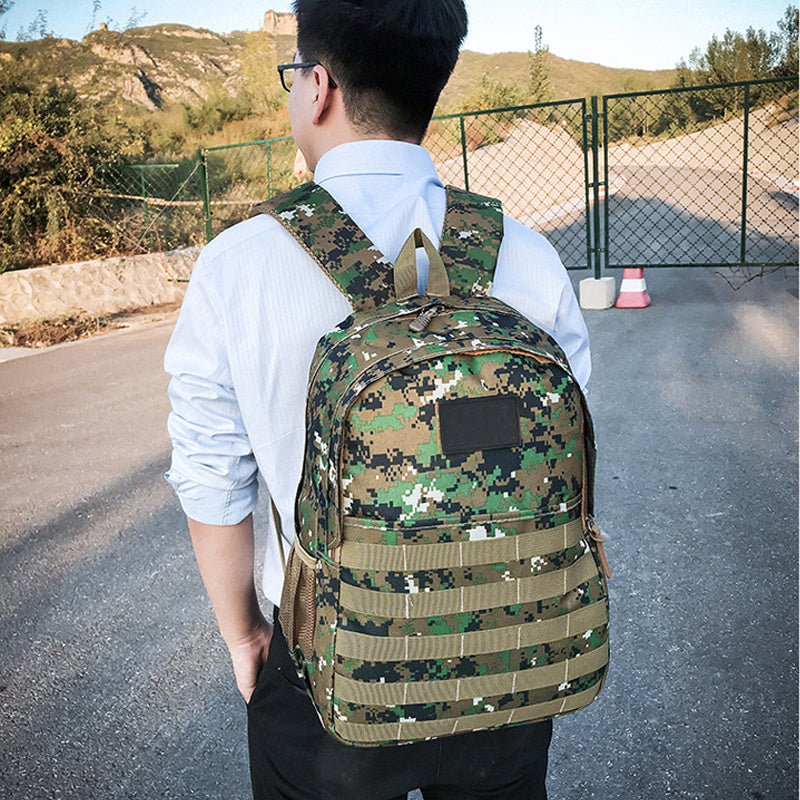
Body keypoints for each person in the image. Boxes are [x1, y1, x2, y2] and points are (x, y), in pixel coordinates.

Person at [164, 1, 591, 798]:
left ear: (318, 85)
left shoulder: (238, 265)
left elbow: (212, 480)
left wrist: (247, 638)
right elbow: (563, 461)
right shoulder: (528, 255)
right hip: (510, 649)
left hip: (332, 667)